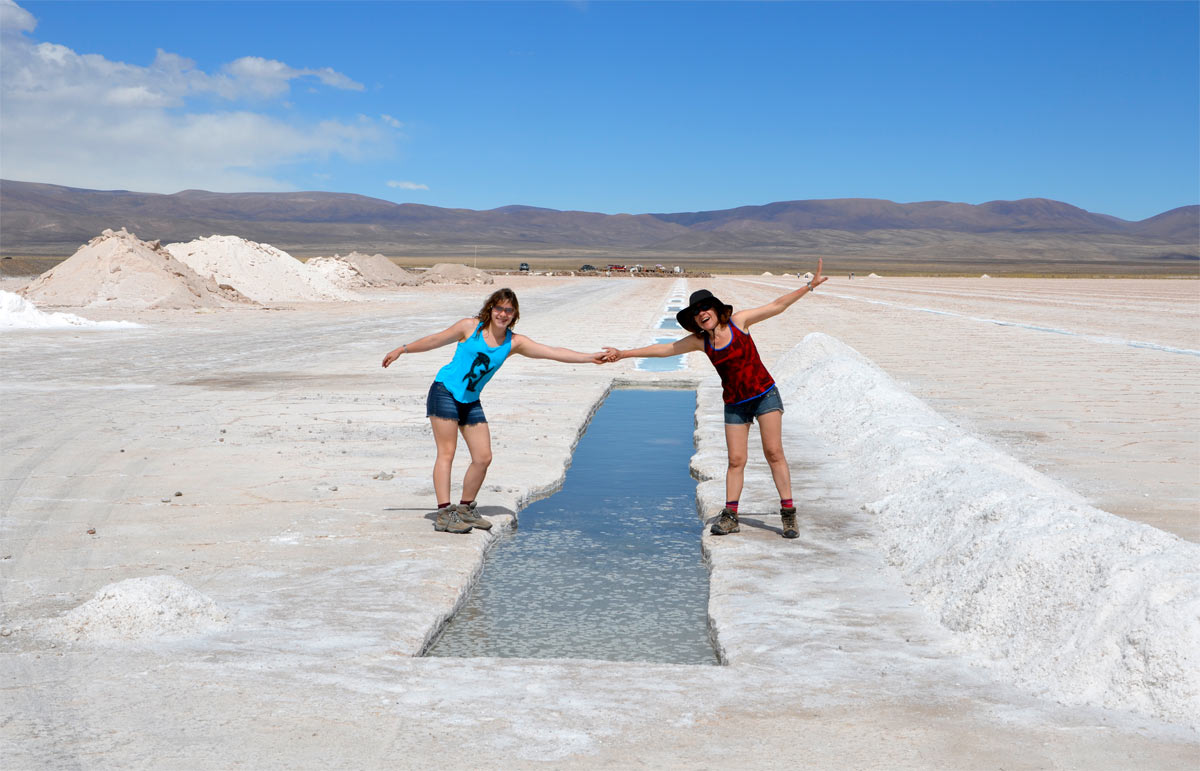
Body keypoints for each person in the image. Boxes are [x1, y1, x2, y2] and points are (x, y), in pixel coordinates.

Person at [603, 260, 828, 539]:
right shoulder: (701, 341)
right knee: (736, 460)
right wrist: (623, 353)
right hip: (735, 402)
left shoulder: (739, 322)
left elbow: (777, 305)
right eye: (696, 313)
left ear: (717, 310)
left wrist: (808, 286)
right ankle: (731, 515)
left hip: (764, 394)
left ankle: (788, 514)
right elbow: (664, 349)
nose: (701, 314)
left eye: (705, 309)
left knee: (774, 453)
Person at [383, 288, 607, 534]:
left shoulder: (514, 342)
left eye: (508, 310)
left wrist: (589, 358)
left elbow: (552, 352)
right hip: (444, 391)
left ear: (514, 314)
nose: (503, 314)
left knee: (483, 457)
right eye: (499, 308)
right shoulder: (470, 327)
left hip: (470, 400)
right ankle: (445, 513)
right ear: (490, 308)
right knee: (447, 452)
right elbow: (435, 340)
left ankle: (465, 509)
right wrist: (402, 349)